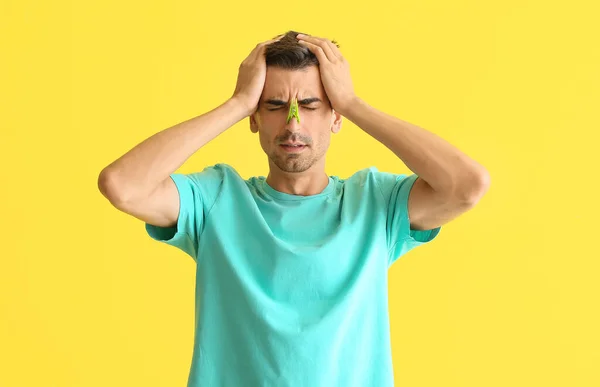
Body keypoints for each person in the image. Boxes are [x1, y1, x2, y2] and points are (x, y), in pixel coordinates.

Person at [98, 30, 490, 387]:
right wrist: (235, 103)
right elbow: (122, 185)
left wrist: (353, 102)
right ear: (255, 117)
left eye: (310, 103)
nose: (293, 123)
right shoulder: (217, 198)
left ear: (335, 116)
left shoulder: (375, 203)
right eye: (273, 105)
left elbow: (466, 186)